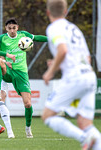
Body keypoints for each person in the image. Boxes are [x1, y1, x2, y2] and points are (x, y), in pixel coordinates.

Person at [42, 0, 101, 149]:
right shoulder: (74, 28)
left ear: (48, 12)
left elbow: (63, 50)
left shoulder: (54, 28)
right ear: (66, 11)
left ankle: (84, 138)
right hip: (89, 76)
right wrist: (58, 62)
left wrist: (50, 72)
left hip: (75, 79)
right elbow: (86, 57)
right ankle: (92, 140)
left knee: (48, 115)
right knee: (84, 123)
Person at [0, 18, 48, 138]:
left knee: (28, 104)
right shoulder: (2, 38)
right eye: (9, 28)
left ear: (17, 27)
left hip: (21, 73)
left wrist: (51, 40)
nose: (12, 31)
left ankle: (28, 128)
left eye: (14, 28)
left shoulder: (23, 35)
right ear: (6, 29)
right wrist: (7, 55)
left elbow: (37, 38)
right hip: (8, 70)